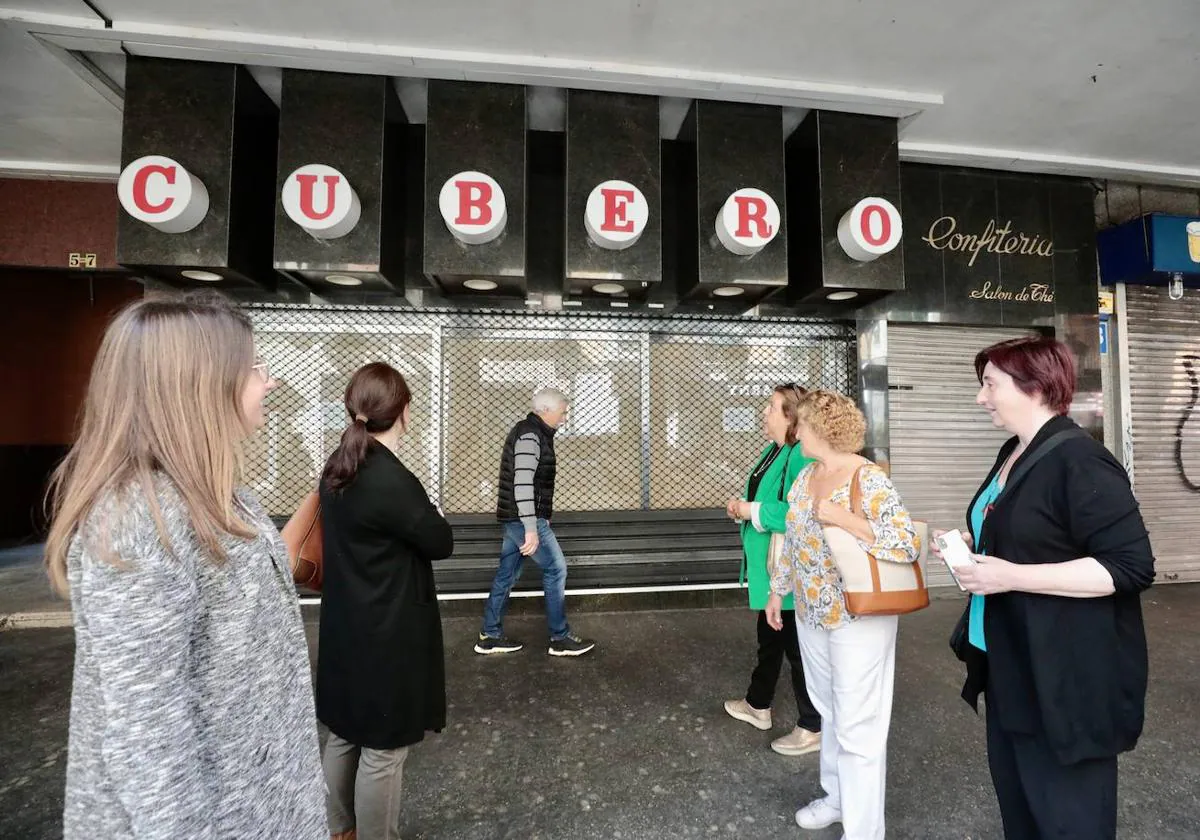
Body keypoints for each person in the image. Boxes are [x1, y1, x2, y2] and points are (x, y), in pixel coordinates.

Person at [44, 293, 326, 840]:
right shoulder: (138, 520)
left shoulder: (215, 494)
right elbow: (147, 735)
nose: (268, 383)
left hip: (255, 806)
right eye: (254, 370)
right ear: (199, 386)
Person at [933, 337, 1154, 840]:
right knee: (1022, 812)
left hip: (1064, 679)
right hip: (1012, 665)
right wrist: (972, 545)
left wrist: (1009, 575)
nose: (980, 398)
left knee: (1067, 819)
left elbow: (1130, 567)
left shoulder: (1080, 460)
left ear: (1034, 386)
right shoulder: (1014, 450)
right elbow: (1031, 534)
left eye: (990, 384)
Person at [766, 389, 920, 840]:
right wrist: (779, 592)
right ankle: (836, 799)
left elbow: (905, 542)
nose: (797, 432)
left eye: (804, 425)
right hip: (812, 613)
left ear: (821, 429)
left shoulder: (867, 478)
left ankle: (865, 830)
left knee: (859, 724)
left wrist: (840, 516)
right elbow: (795, 541)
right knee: (831, 711)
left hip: (860, 616)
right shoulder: (807, 475)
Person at [317, 362, 455, 840]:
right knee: (384, 746)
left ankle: (339, 831)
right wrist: (434, 510)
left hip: (345, 624)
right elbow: (440, 541)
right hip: (387, 631)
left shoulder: (339, 465)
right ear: (404, 413)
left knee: (345, 732)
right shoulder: (390, 479)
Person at [723, 384, 822, 756]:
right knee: (770, 639)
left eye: (771, 407)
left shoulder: (799, 456)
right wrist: (743, 508)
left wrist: (750, 511)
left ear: (791, 416)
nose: (764, 413)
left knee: (796, 647)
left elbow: (803, 512)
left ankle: (813, 726)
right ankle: (757, 704)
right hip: (772, 571)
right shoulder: (774, 450)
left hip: (789, 570)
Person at [475, 387, 596, 656]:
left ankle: (489, 634)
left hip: (520, 517)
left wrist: (543, 516)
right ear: (546, 411)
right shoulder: (531, 435)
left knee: (507, 575)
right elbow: (523, 484)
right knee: (556, 569)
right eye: (563, 413)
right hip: (522, 520)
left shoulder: (534, 432)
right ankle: (559, 638)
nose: (565, 418)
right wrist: (532, 527)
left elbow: (535, 483)